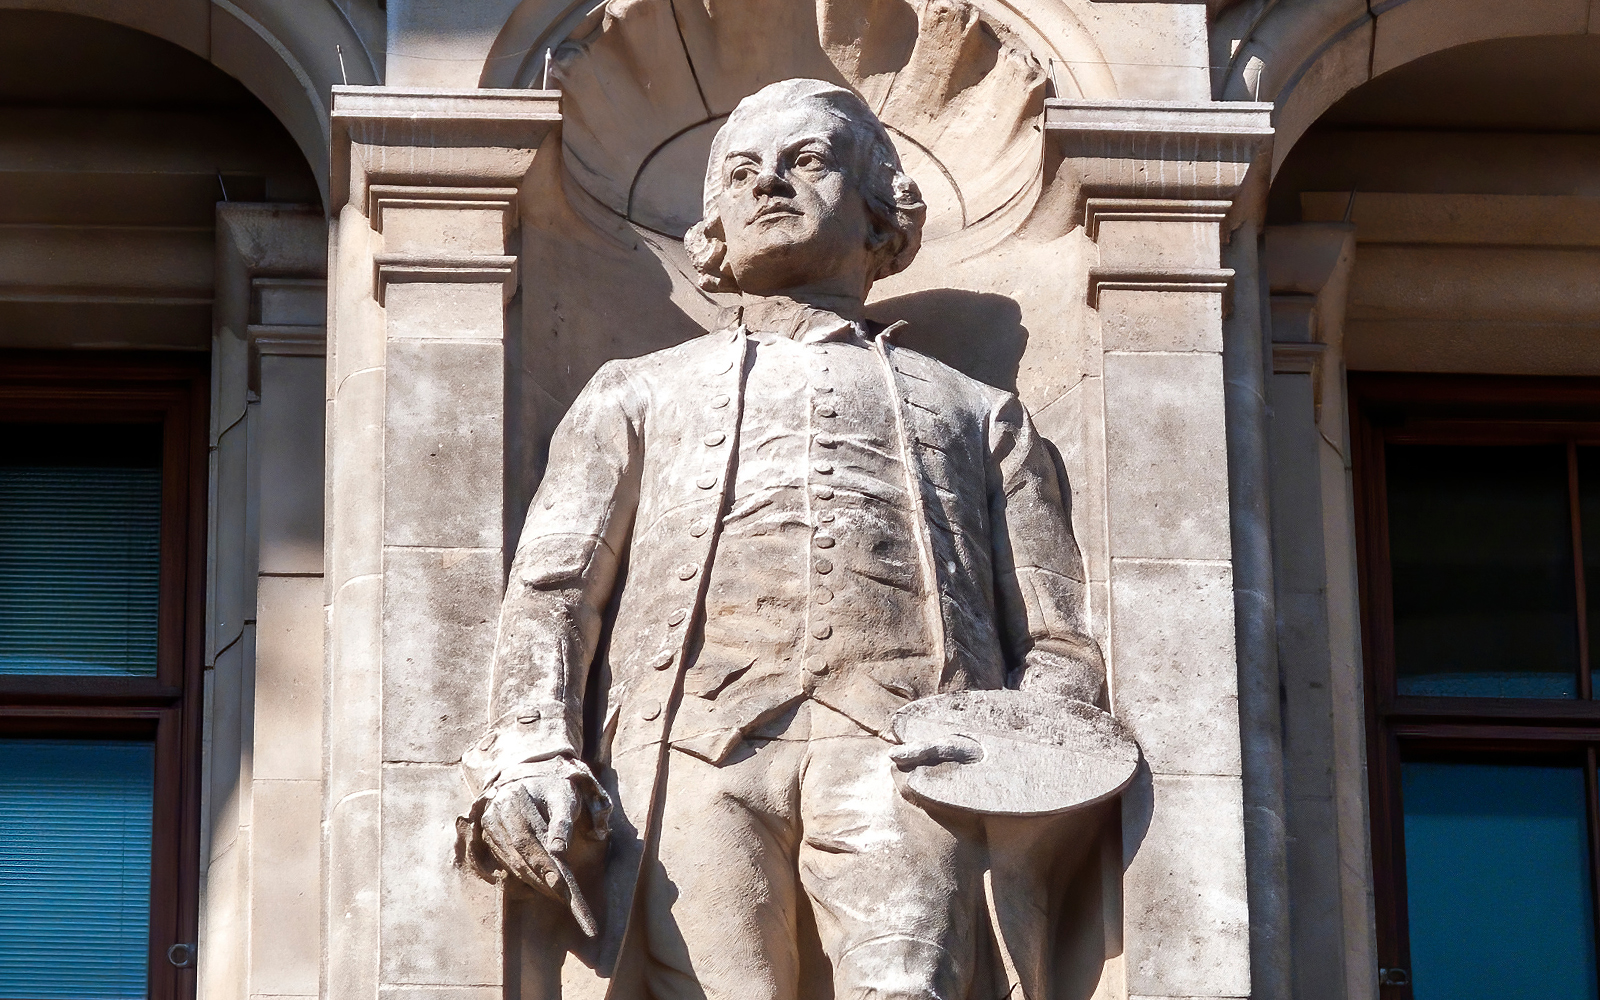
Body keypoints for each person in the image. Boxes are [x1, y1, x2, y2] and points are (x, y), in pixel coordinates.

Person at [456, 77, 1104, 1000]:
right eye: (743, 171)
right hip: (689, 742)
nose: (770, 185)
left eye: (807, 161)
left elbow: (1057, 639)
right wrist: (530, 745)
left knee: (911, 985)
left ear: (880, 203)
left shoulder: (977, 412)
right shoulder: (635, 391)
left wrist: (1015, 751)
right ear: (714, 215)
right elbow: (555, 589)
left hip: (907, 747)